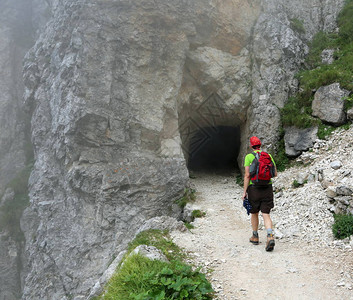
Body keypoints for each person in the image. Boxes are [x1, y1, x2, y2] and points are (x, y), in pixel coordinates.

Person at [242, 136, 277, 251]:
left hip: (254, 188)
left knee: (254, 213)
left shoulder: (248, 157)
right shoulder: (268, 156)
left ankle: (255, 236)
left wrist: (244, 192)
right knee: (266, 213)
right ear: (260, 145)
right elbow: (275, 173)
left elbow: (247, 175)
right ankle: (270, 235)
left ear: (251, 146)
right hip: (267, 187)